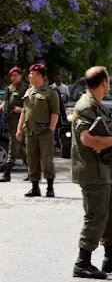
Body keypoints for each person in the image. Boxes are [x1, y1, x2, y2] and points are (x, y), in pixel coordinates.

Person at [70, 66, 112, 279]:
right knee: (96, 216)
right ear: (104, 83)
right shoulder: (85, 106)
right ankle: (82, 263)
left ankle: (111, 258)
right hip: (92, 171)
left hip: (104, 169)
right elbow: (87, 139)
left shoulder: (96, 105)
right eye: (107, 81)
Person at [16, 63, 60, 197]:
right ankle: (35, 187)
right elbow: (24, 111)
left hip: (44, 131)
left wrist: (51, 129)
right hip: (30, 131)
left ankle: (50, 188)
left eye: (32, 74)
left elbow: (55, 113)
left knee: (47, 159)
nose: (29, 76)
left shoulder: (51, 92)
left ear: (40, 75)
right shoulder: (29, 91)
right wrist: (19, 129)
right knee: (32, 159)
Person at [0, 67, 28, 182]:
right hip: (10, 121)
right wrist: (2, 106)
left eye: (15, 75)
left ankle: (7, 173)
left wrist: (21, 109)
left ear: (21, 76)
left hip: (19, 122)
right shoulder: (9, 88)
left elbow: (30, 105)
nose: (13, 77)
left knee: (13, 145)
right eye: (11, 76)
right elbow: (6, 102)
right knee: (19, 148)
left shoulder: (24, 89)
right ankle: (32, 169)